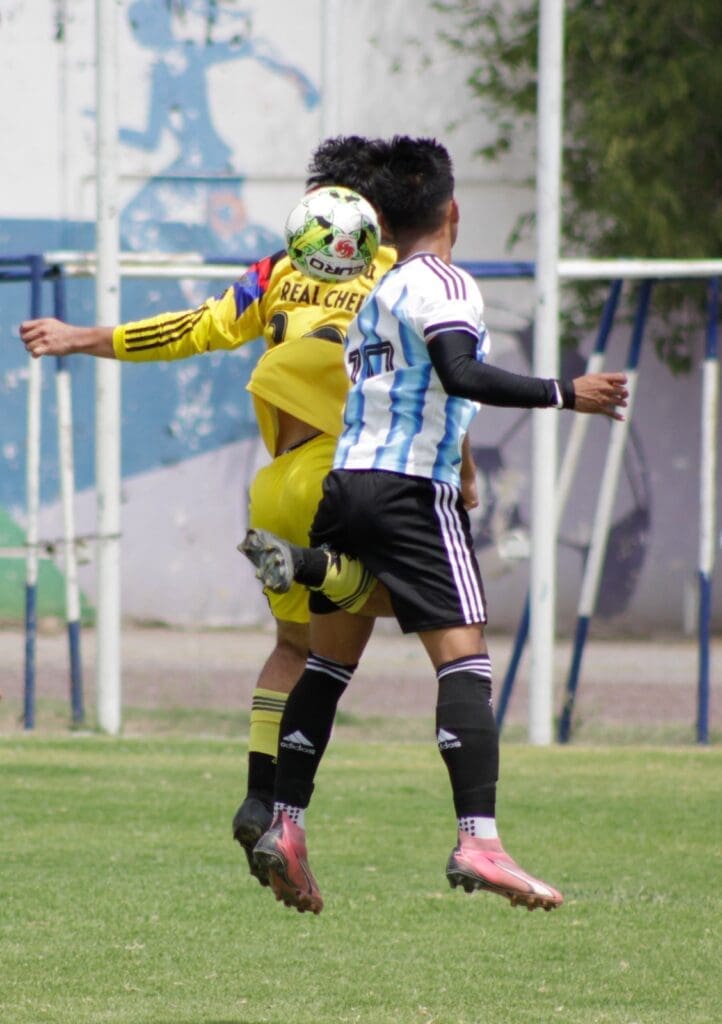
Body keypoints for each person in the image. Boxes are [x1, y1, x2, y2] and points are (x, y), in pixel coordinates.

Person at [239, 135, 629, 916]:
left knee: (328, 664)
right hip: (413, 491)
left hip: (345, 486)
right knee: (464, 660)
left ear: (381, 223)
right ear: (453, 211)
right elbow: (459, 371)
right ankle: (479, 840)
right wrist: (566, 392)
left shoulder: (376, 293)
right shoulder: (446, 282)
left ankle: (286, 820)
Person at [18, 135, 401, 885]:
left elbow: (193, 328)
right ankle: (316, 572)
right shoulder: (399, 275)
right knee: (426, 607)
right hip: (343, 473)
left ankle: (259, 795)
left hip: (275, 483)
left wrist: (81, 338)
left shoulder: (277, 270)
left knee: (294, 646)